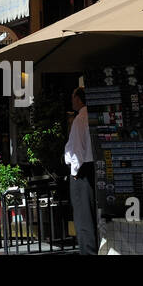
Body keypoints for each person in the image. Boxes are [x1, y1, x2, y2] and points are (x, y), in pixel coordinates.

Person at [64, 86, 97, 255]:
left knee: (83, 215)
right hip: (93, 167)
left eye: (73, 97)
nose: (71, 101)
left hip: (82, 170)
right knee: (91, 212)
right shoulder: (92, 116)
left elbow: (77, 149)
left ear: (78, 99)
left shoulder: (80, 119)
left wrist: (75, 172)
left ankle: (88, 251)